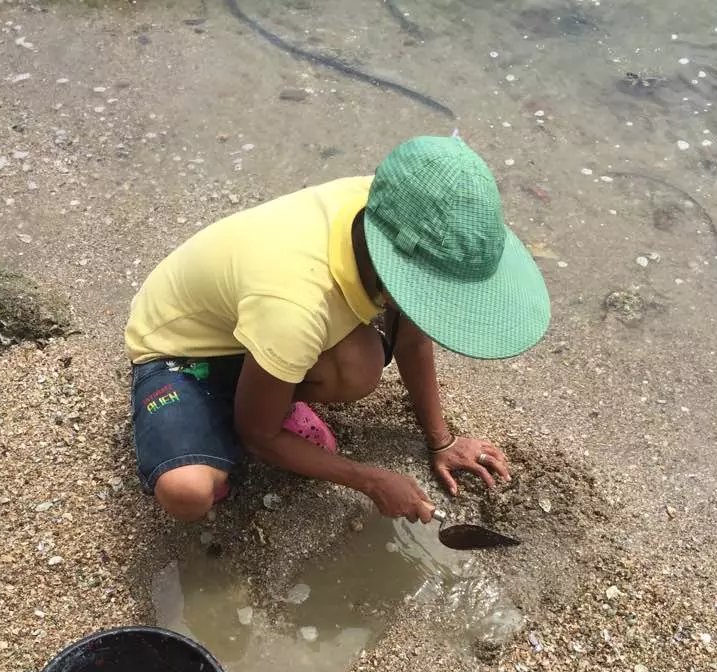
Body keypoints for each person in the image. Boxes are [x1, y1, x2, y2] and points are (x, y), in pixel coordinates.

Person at [125, 135, 550, 523]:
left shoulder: (393, 208)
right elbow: (258, 436)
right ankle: (241, 410)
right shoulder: (294, 304)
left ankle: (263, 392)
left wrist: (441, 440)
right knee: (188, 491)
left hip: (258, 325)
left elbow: (411, 332)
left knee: (358, 367)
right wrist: (370, 480)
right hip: (180, 353)